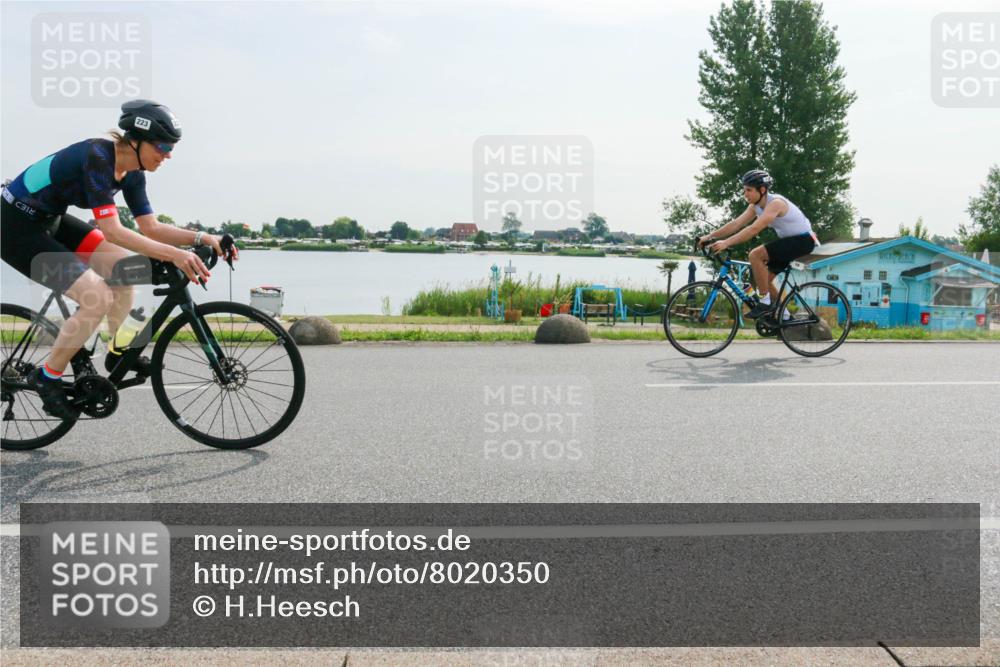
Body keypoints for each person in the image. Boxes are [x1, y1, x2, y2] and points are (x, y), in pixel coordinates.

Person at [1, 100, 237, 419]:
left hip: (50, 219)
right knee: (97, 296)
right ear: (136, 140)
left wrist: (204, 238)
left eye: (172, 148)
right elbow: (112, 231)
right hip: (14, 227)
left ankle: (117, 351)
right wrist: (177, 255)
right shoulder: (97, 157)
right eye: (163, 146)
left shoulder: (132, 171)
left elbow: (150, 227)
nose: (168, 154)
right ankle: (47, 378)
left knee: (126, 271)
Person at [697, 169, 818, 320]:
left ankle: (765, 303)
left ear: (762, 190)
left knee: (755, 255)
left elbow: (754, 228)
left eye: (748, 190)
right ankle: (785, 317)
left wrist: (726, 242)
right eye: (744, 190)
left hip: (803, 240)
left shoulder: (776, 204)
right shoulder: (755, 206)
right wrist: (710, 236)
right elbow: (736, 224)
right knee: (764, 282)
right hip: (789, 241)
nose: (745, 194)